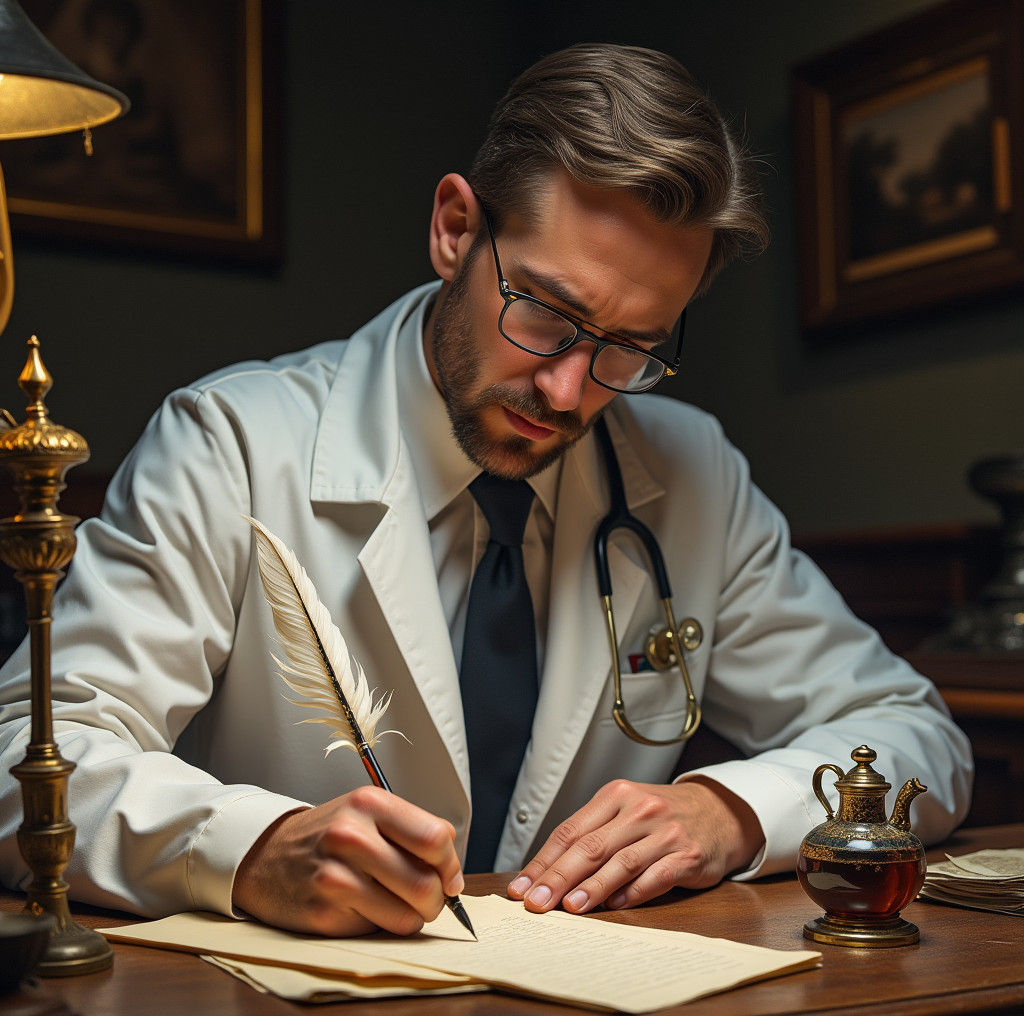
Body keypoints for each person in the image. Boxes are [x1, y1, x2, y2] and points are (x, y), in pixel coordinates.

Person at [0, 44, 972, 938]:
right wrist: (251, 849)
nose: (568, 390)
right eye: (545, 312)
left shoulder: (694, 474)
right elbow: (26, 761)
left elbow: (916, 735)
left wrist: (731, 811)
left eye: (628, 348)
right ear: (455, 229)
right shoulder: (229, 444)